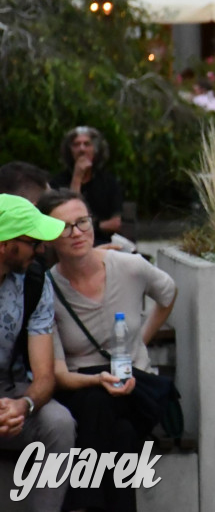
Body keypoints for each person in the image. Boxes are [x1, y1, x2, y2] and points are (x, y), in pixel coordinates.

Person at [37, 188, 178, 512]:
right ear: (47, 238)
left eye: (82, 221)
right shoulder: (46, 288)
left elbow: (168, 294)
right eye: (64, 227)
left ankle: (81, 507)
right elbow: (59, 375)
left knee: (108, 414)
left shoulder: (129, 266)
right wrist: (97, 379)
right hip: (82, 390)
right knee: (119, 429)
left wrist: (140, 339)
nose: (77, 233)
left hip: (135, 386)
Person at [0, 194, 76, 512]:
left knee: (59, 423)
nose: (41, 249)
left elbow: (44, 375)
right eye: (33, 241)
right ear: (5, 244)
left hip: (9, 389)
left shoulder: (34, 281)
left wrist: (24, 405)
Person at [52, 125, 124, 246]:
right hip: (71, 243)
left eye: (87, 144)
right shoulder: (58, 183)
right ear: (70, 151)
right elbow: (68, 219)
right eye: (76, 144)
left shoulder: (108, 182)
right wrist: (77, 178)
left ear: (95, 150)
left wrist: (90, 226)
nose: (82, 149)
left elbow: (115, 223)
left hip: (103, 244)